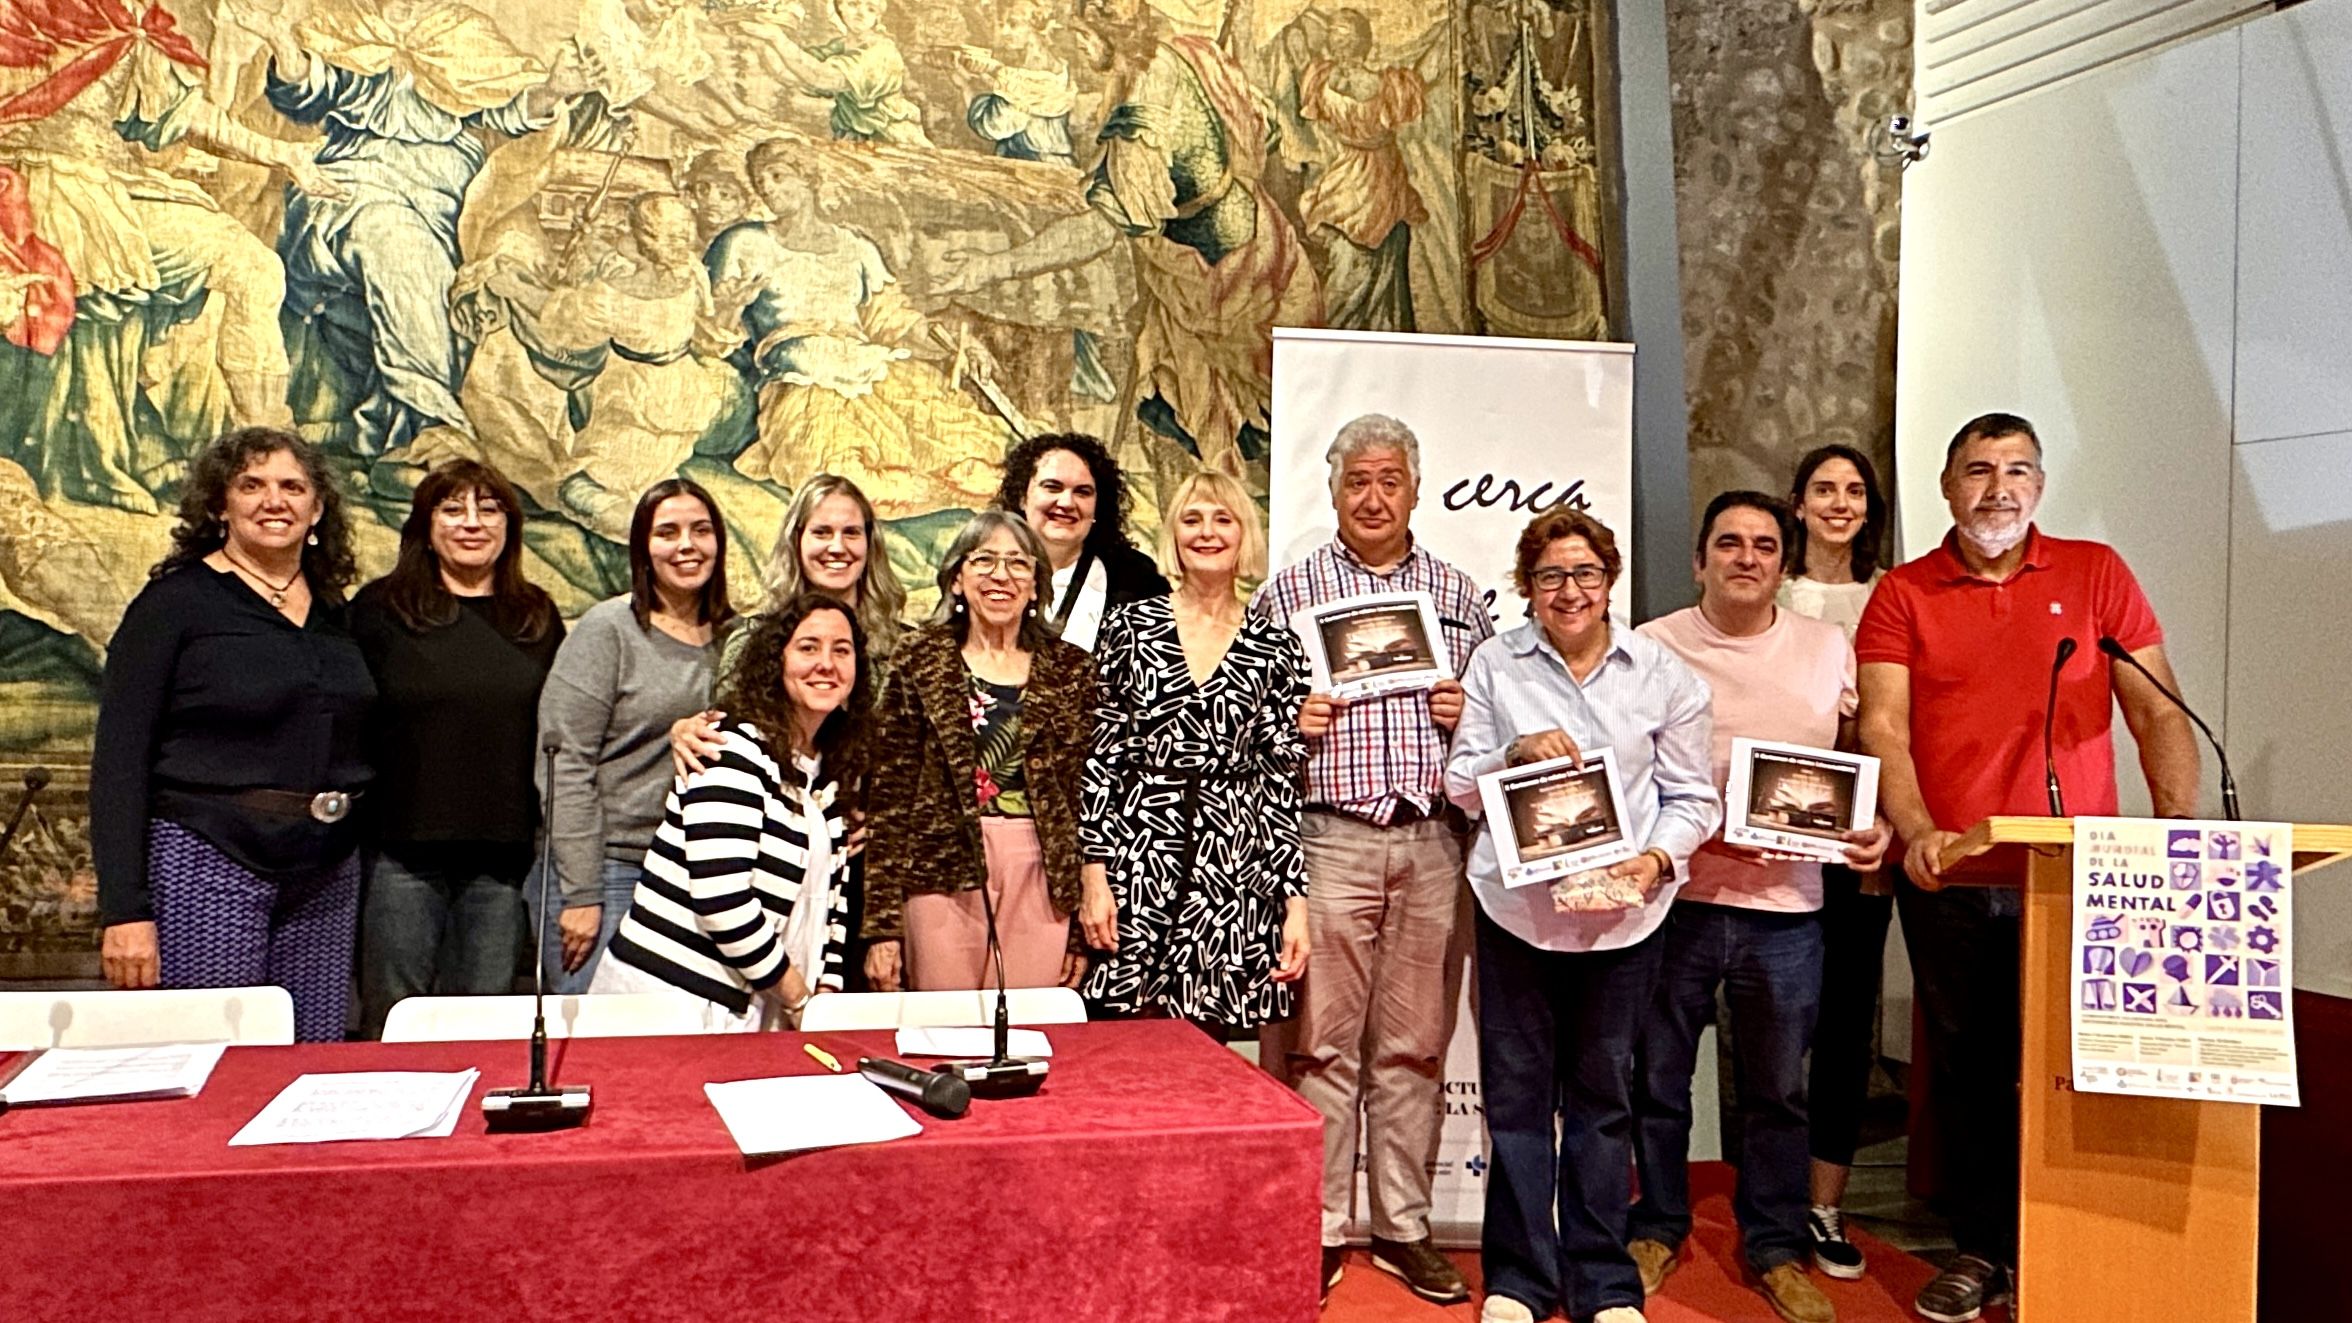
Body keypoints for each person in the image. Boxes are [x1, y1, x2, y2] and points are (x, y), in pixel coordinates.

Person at [1856, 413, 2199, 1323]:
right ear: (1946, 486)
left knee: (2080, 1063)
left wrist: (2177, 831)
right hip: (1956, 875)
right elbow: (1883, 724)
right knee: (1970, 1066)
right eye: (1977, 470)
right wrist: (1918, 830)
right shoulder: (1902, 591)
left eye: (2016, 471)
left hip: (2087, 879)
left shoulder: (2096, 573)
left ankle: (2083, 1239)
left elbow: (2158, 709)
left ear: (2040, 486)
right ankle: (1982, 1248)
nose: (1997, 489)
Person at [1443, 507, 1720, 1323]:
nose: (1570, 590)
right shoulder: (1496, 662)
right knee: (1519, 1102)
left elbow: (1691, 797)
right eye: (1551, 576)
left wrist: (1656, 859)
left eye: (1586, 574)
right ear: (1527, 588)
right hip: (1517, 915)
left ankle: (1603, 1279)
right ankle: (1520, 1279)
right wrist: (1511, 756)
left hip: (1622, 922)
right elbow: (1461, 784)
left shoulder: (1661, 673)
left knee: (1605, 1102)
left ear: (1610, 581)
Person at [1626, 492, 1890, 1323]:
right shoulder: (1650, 647)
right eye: (1729, 543)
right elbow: (1622, 768)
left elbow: (1857, 759)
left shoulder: (1828, 648)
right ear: (1700, 559)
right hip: (1673, 904)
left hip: (1787, 910)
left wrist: (1872, 823)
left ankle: (1775, 1244)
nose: (1748, 557)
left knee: (1777, 1089)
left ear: (1783, 562)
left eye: (1765, 545)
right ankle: (1658, 1223)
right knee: (1658, 1078)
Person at [1251, 413, 1492, 1306]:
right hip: (1331, 836)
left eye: (1391, 480)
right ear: (1334, 488)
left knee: (1414, 1045)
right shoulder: (1288, 592)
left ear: (1416, 488)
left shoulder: (1459, 594)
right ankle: (1316, 1225)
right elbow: (1245, 724)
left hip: (1432, 838)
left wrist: (1469, 708)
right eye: (1359, 480)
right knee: (1319, 1045)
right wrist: (1291, 719)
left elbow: (1499, 724)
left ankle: (1403, 1225)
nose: (1375, 496)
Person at [91, 428, 374, 1042]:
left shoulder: (334, 612)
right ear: (220, 505)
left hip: (324, 871)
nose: (275, 501)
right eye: (253, 485)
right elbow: (119, 761)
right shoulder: (173, 606)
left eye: (293, 487)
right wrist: (126, 912)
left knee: (311, 1057)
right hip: (208, 860)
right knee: (218, 1062)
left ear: (317, 509)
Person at [1078, 470, 1310, 1031]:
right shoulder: (1129, 628)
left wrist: (1295, 904)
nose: (1207, 532)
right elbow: (1101, 756)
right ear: (1174, 536)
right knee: (1121, 1044)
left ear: (1244, 534)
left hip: (1234, 866)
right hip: (1138, 854)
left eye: (1222, 519)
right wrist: (1093, 871)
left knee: (1208, 1055)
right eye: (1192, 519)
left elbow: (1280, 783)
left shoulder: (1276, 646)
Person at [351, 460, 563, 1037]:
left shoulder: (538, 617)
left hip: (501, 859)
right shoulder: (379, 611)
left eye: (488, 509)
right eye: (453, 509)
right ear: (426, 525)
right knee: (394, 1019)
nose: (472, 523)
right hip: (402, 854)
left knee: (485, 1025)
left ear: (509, 526)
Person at [594, 595, 870, 1028]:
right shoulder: (729, 748)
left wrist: (826, 993)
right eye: (808, 647)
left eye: (842, 650)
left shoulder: (830, 772)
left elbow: (834, 901)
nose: (826, 663)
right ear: (776, 662)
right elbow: (722, 901)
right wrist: (799, 999)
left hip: (755, 1011)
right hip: (671, 1007)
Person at [864, 511, 1095, 992]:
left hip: (1042, 873)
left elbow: (1082, 797)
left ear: (1035, 586)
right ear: (956, 579)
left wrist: (1076, 922)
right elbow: (890, 794)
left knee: (1030, 1033)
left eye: (1017, 563)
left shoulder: (1072, 668)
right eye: (984, 560)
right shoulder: (918, 657)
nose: (1001, 575)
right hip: (938, 870)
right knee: (944, 1034)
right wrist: (882, 927)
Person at [535, 478, 731, 993]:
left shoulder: (738, 638)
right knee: (603, 1045)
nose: (687, 545)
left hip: (702, 875)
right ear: (644, 547)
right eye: (668, 531)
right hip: (612, 868)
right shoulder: (609, 630)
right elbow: (564, 762)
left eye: (701, 530)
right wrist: (581, 892)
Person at [1782, 444, 1894, 1279]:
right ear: (1796, 503)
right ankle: (1764, 1193)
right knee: (1773, 1020)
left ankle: (1825, 1201)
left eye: (1854, 490)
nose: (1839, 502)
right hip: (1774, 839)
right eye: (1824, 488)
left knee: (1847, 1018)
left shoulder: (1898, 593)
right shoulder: (1761, 586)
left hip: (1868, 839)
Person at [999, 432, 1169, 651]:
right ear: (1022, 497)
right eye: (1052, 487)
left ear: (1098, 505)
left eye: (1083, 492)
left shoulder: (1139, 581)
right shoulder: (983, 570)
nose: (1067, 502)